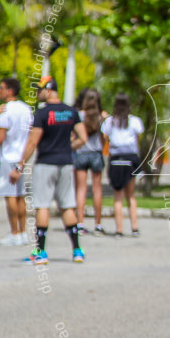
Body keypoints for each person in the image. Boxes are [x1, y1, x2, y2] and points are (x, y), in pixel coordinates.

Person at [9, 77, 87, 264]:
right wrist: (68, 148)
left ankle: (40, 252)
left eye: (40, 90)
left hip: (46, 163)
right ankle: (77, 250)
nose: (37, 94)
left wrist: (19, 166)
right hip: (66, 163)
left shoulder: (42, 114)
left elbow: (33, 142)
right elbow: (83, 138)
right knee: (67, 206)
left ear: (49, 90)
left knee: (42, 205)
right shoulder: (71, 112)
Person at [0, 77, 33, 246]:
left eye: (1, 88)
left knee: (10, 196)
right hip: (21, 157)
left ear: (10, 91)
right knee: (20, 196)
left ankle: (14, 232)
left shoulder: (5, 110)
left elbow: (0, 136)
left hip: (7, 157)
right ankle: (22, 232)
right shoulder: (26, 109)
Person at [102, 93, 144, 237]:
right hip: (130, 159)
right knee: (131, 195)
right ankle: (135, 228)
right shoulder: (135, 121)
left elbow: (105, 137)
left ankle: (119, 230)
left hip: (115, 159)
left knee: (117, 196)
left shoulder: (109, 121)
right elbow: (137, 138)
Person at [73, 88, 107, 235]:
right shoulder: (102, 116)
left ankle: (80, 223)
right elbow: (105, 138)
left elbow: (73, 136)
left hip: (80, 153)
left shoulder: (78, 115)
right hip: (96, 153)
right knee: (97, 189)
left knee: (81, 189)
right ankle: (98, 225)